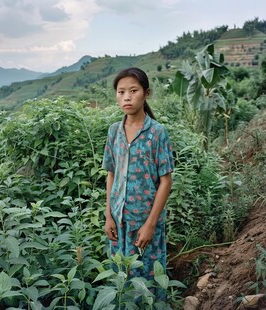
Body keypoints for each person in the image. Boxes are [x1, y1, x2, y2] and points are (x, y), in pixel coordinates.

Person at [102, 67, 174, 300]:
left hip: (145, 220)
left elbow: (165, 181)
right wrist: (108, 216)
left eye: (133, 90)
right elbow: (111, 173)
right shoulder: (114, 132)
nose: (127, 97)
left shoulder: (157, 133)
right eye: (121, 92)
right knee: (122, 278)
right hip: (118, 222)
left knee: (149, 277)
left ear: (146, 93)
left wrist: (151, 225)